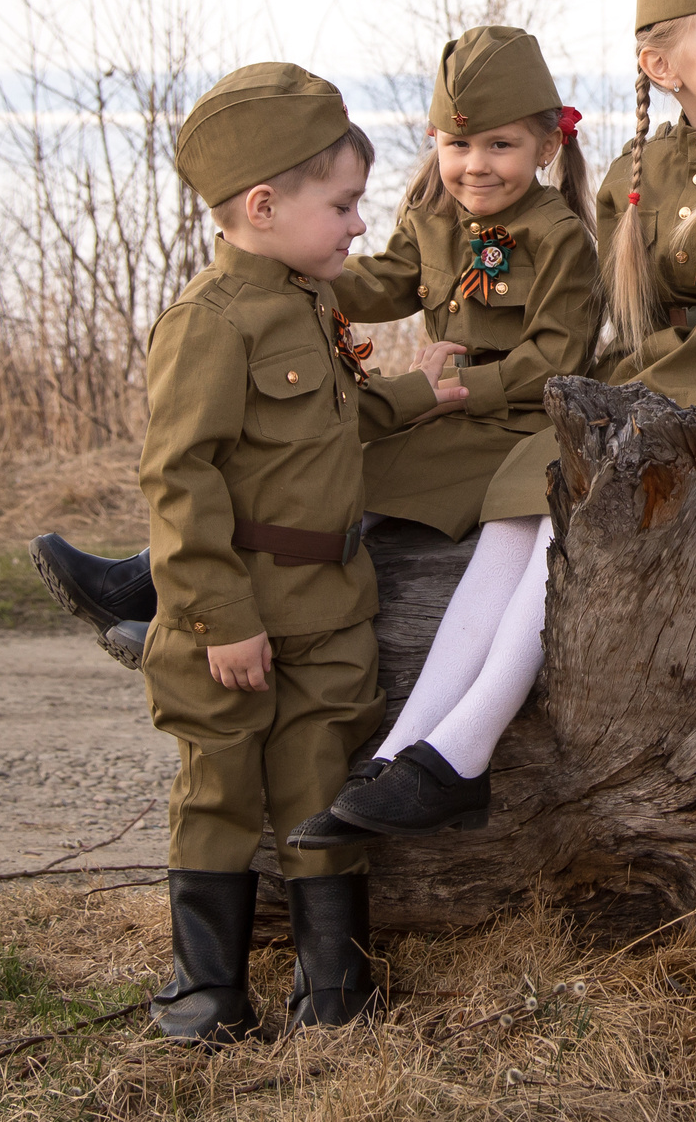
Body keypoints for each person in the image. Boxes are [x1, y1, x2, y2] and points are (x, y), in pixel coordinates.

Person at [290, 0, 696, 845]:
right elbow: (598, 305)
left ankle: (463, 752)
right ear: (660, 62)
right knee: (517, 514)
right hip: (637, 384)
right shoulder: (634, 175)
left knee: (570, 513)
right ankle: (400, 750)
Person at [30, 26, 600, 666]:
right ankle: (162, 598)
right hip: (440, 407)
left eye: (501, 145)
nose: (475, 165)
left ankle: (168, 613)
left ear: (548, 145)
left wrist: (460, 394)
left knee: (338, 477)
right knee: (296, 469)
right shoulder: (433, 218)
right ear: (433, 142)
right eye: (458, 144)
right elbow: (383, 285)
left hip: (508, 425)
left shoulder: (559, 237)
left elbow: (558, 358)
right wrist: (290, 270)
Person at [134, 63, 465, 1045]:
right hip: (234, 611)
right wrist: (220, 622)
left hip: (329, 602)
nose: (358, 227)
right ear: (265, 206)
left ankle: (334, 993)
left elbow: (332, 419)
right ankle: (206, 998)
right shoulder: (210, 322)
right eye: (344, 205)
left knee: (322, 783)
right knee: (221, 792)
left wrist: (418, 393)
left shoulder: (309, 301)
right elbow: (179, 482)